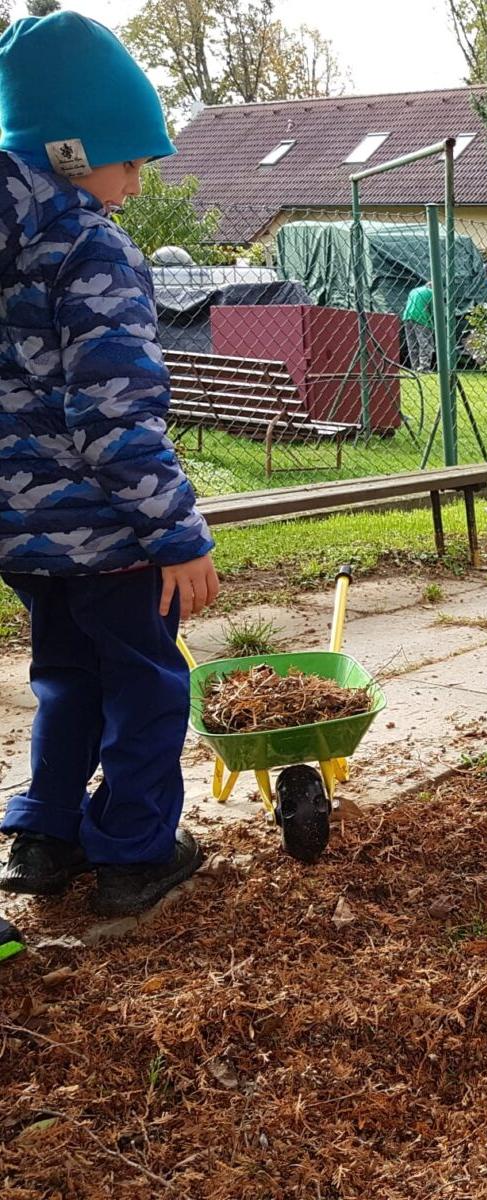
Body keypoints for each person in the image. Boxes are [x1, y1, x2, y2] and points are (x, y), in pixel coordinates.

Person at [0, 13, 219, 914]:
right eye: (131, 161)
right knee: (146, 686)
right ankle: (134, 851)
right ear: (72, 149)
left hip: (23, 539)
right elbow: (116, 420)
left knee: (65, 679)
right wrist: (179, 536)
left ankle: (44, 839)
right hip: (109, 533)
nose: (135, 183)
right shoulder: (91, 249)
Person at [402, 283, 436, 371]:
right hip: (421, 318)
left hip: (407, 317)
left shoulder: (413, 291)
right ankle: (424, 366)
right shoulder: (432, 292)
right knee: (426, 343)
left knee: (412, 344)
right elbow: (434, 310)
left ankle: (415, 366)